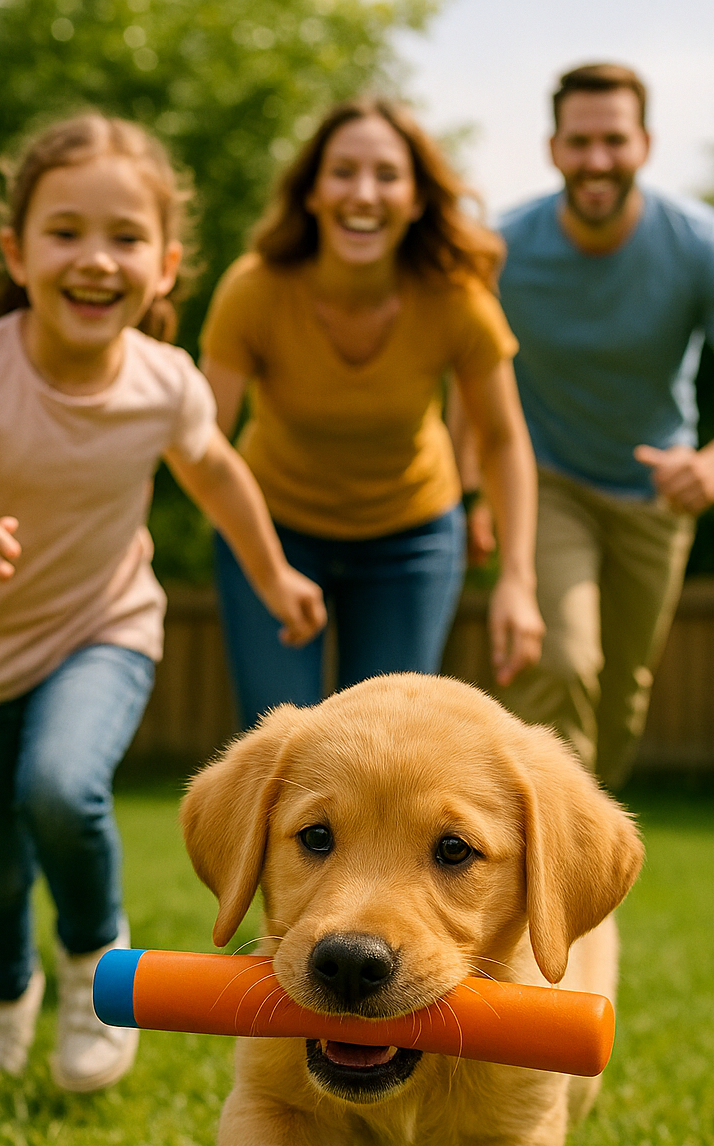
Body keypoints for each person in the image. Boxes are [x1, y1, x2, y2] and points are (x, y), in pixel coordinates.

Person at [0, 114, 325, 1090]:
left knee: (62, 790)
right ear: (18, 254)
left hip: (103, 631)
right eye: (65, 233)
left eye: (125, 237)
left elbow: (221, 476)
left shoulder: (165, 383)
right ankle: (1, 992)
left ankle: (94, 960)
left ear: (165, 266)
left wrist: (272, 572)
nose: (95, 259)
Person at [455, 63, 714, 787]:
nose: (596, 162)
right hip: (545, 480)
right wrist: (472, 492)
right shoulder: (505, 252)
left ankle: (578, 854)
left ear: (644, 144)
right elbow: (469, 379)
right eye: (579, 142)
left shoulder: (701, 246)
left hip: (655, 495)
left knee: (621, 698)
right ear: (553, 148)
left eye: (613, 141)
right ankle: (540, 880)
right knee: (558, 660)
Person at [199, 97, 545, 728]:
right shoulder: (255, 291)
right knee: (276, 737)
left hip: (408, 534)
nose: (364, 192)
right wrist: (268, 567)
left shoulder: (456, 301)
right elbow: (200, 441)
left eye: (387, 175)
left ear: (415, 199)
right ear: (312, 193)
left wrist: (516, 580)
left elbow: (501, 440)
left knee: (385, 740)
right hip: (274, 525)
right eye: (343, 172)